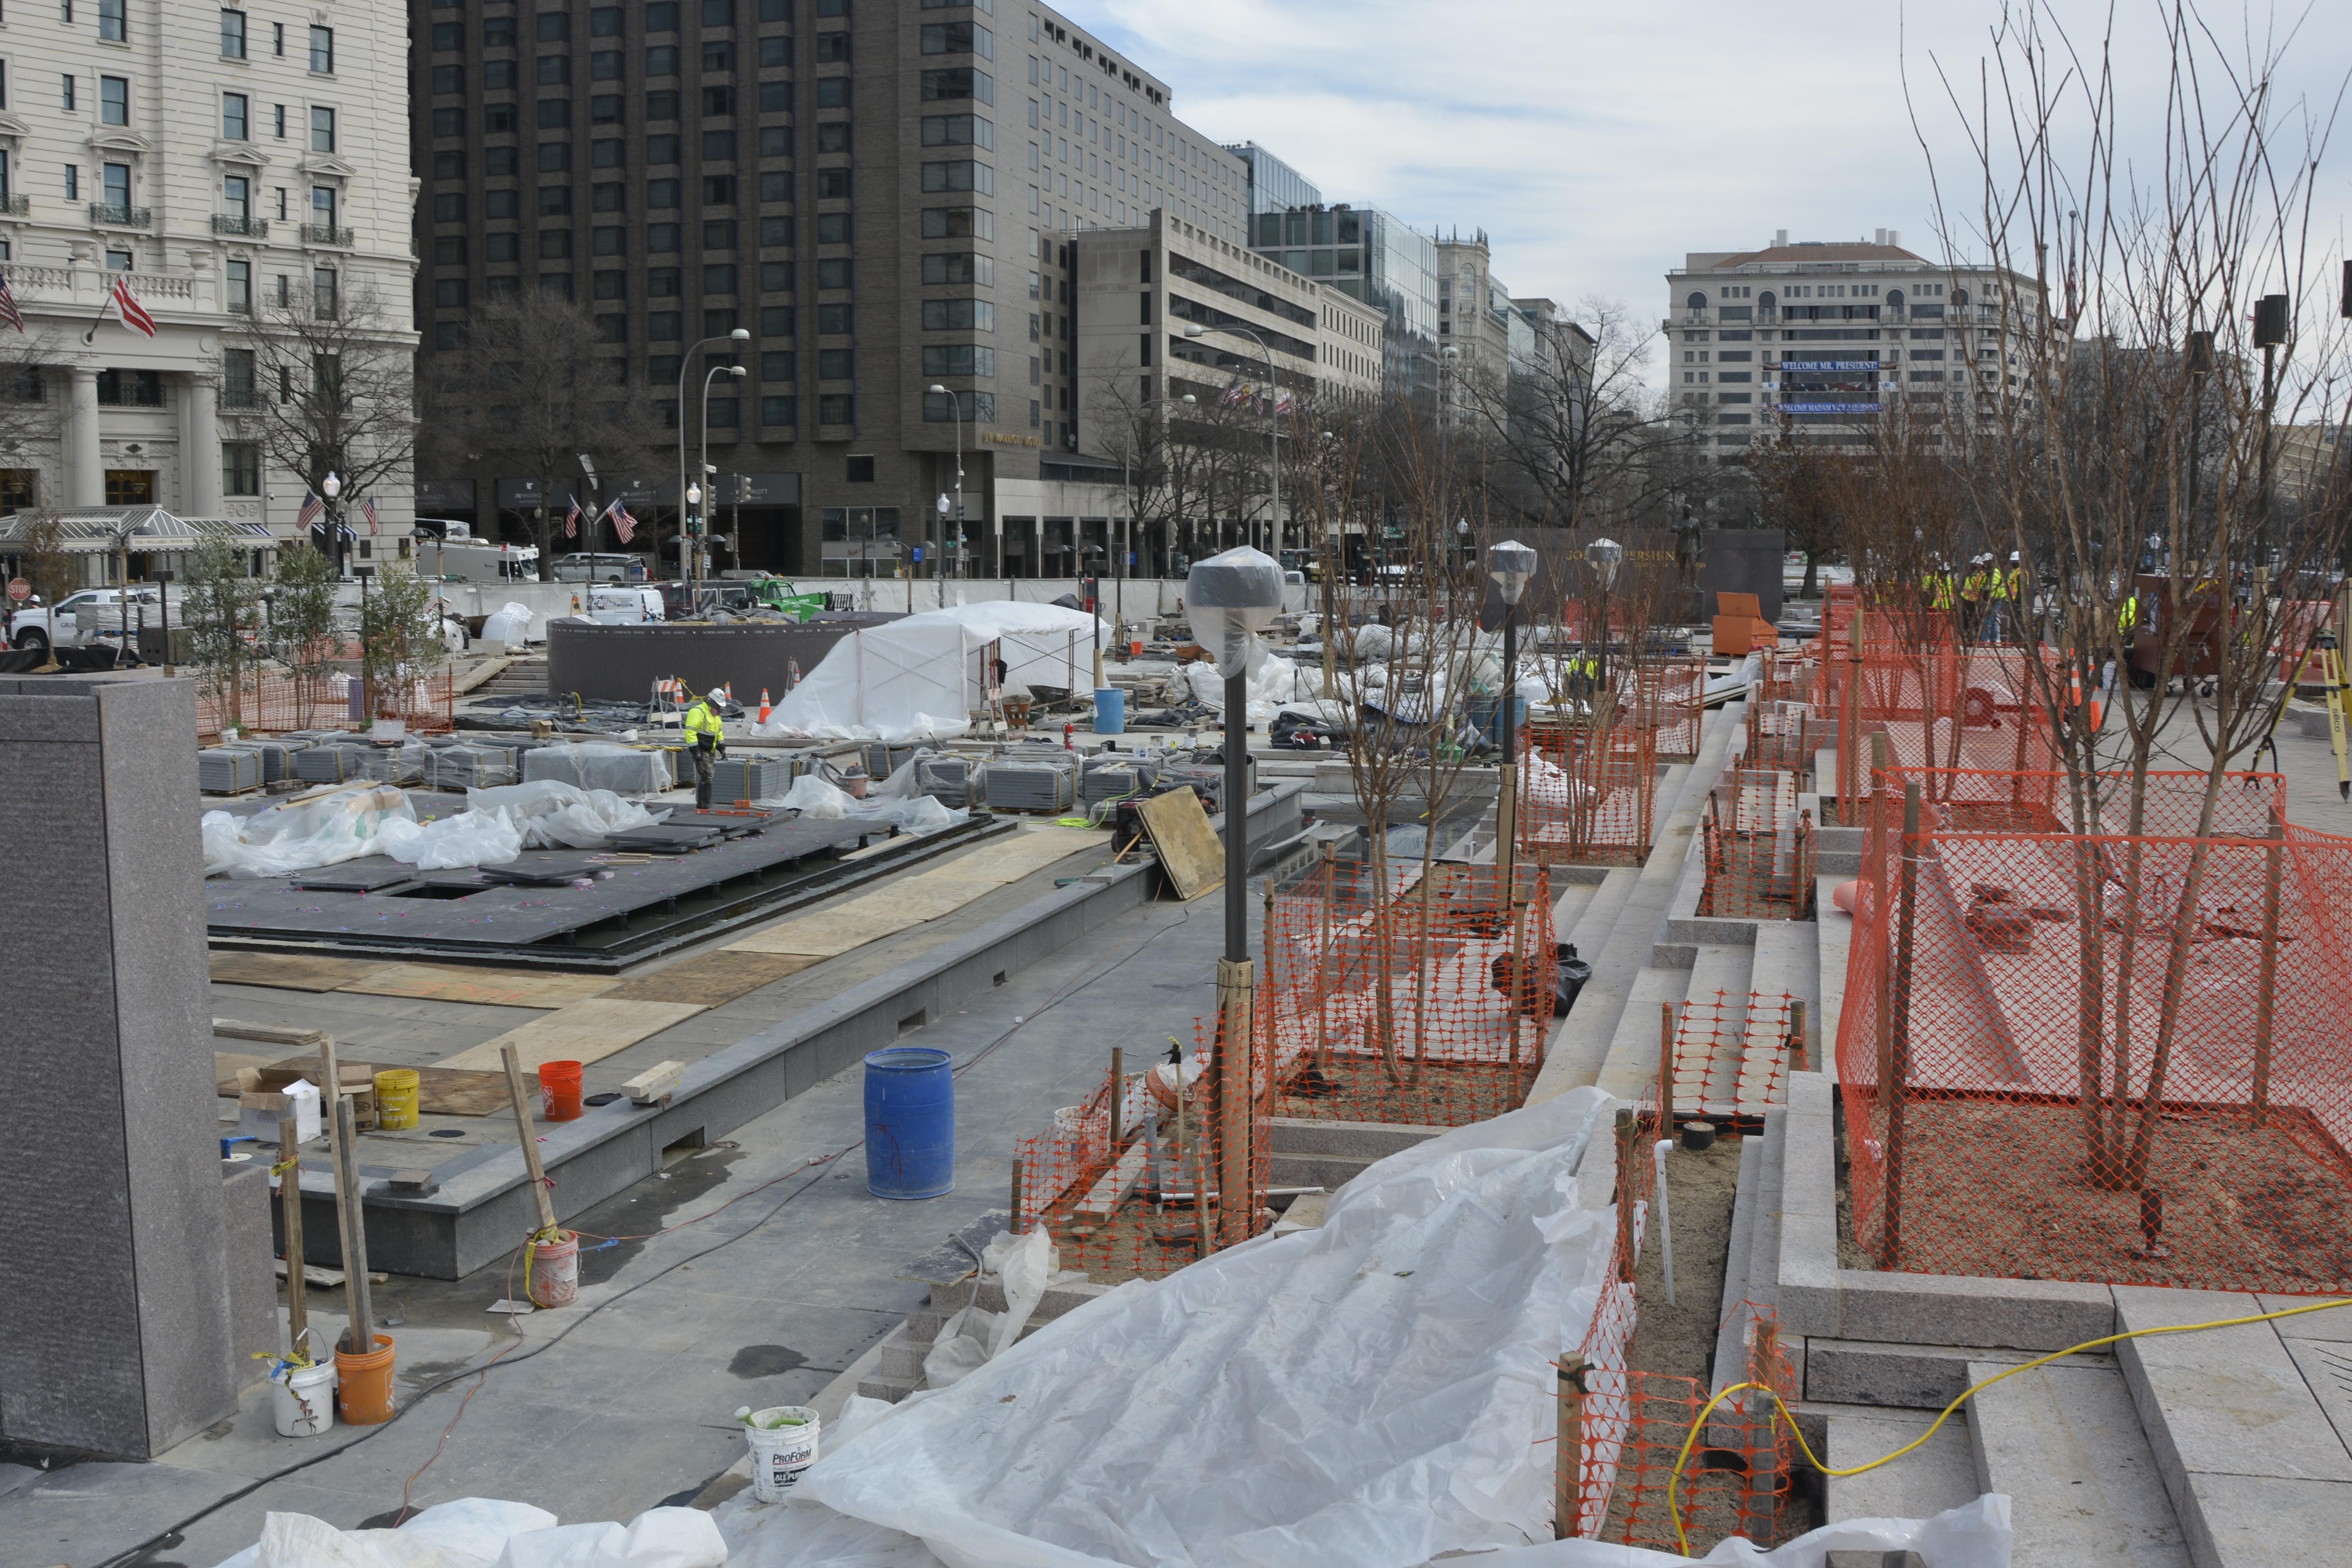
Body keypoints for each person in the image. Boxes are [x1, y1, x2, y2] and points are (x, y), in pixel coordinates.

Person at [684, 686, 727, 808]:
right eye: (718, 705)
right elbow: (690, 732)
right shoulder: (698, 711)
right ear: (711, 701)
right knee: (707, 774)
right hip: (701, 749)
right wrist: (695, 750)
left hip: (710, 750)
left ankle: (703, 803)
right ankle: (704, 803)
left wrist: (721, 747)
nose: (719, 708)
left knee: (709, 775)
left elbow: (719, 732)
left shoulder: (716, 715)